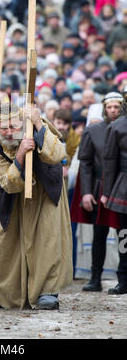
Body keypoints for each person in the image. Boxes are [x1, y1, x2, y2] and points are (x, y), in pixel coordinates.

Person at [0, 102, 72, 310]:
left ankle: (46, 292)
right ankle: (3, 293)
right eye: (4, 128)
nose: (10, 132)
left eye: (14, 126)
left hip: (44, 189)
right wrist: (20, 154)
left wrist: (39, 124)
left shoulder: (36, 122)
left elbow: (58, 154)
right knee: (6, 242)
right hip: (12, 190)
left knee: (46, 240)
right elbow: (8, 182)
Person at [70, 92, 124, 291]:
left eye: (117, 107)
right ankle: (95, 277)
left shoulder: (124, 128)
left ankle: (123, 277)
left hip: (120, 187)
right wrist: (86, 192)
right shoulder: (92, 131)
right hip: (97, 187)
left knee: (123, 233)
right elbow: (86, 163)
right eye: (109, 107)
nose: (113, 111)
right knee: (99, 234)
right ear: (104, 108)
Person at [101, 86, 127, 295]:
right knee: (124, 234)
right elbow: (110, 162)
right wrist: (107, 191)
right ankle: (124, 278)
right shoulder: (117, 127)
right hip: (124, 186)